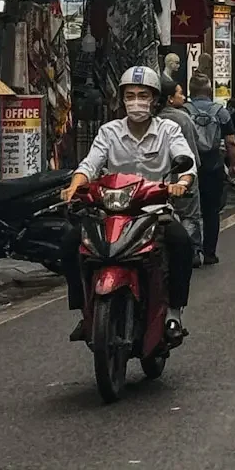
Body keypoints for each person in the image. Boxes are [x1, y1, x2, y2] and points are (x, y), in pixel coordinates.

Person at [62, 65, 196, 342]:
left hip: (153, 211)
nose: (136, 101)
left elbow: (187, 163)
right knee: (69, 242)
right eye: (131, 95)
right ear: (122, 100)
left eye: (143, 95)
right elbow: (90, 163)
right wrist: (75, 185)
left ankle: (173, 313)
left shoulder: (168, 130)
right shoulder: (109, 132)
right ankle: (83, 310)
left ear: (155, 99)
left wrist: (180, 184)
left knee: (181, 242)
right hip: (110, 212)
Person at [187, 70, 235, 265]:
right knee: (211, 211)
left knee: (189, 211)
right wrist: (233, 165)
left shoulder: (184, 112)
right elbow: (231, 142)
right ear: (209, 92)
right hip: (213, 165)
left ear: (191, 92)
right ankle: (209, 253)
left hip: (189, 166)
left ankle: (192, 252)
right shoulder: (220, 111)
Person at [160, 78, 204, 263]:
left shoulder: (154, 119)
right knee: (190, 216)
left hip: (160, 179)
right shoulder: (182, 118)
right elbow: (194, 149)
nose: (184, 97)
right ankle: (191, 252)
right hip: (183, 176)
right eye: (180, 93)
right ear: (170, 98)